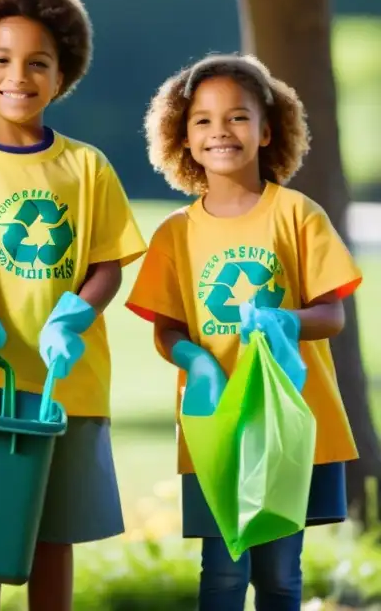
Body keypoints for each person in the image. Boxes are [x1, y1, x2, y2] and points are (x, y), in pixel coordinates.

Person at [0, 0, 147, 611]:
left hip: (61, 383)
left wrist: (77, 311)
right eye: (0, 60)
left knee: (55, 533)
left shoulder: (87, 166)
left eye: (37, 62)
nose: (18, 75)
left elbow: (107, 263)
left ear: (61, 74)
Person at [126, 54, 361, 610]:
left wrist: (287, 320)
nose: (220, 131)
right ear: (182, 136)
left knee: (280, 574)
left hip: (284, 421)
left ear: (266, 130)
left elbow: (332, 314)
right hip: (218, 427)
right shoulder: (175, 234)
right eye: (203, 120)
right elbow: (166, 328)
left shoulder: (297, 214)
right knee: (224, 573)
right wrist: (194, 359)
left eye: (237, 117)